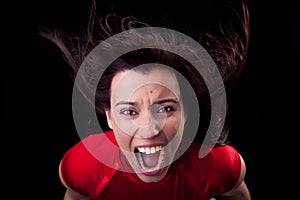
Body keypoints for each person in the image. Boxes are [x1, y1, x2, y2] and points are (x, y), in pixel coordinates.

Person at [38, 0, 251, 199]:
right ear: (110, 118)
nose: (149, 130)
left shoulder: (219, 167)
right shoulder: (83, 167)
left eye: (165, 109)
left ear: (187, 114)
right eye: (130, 112)